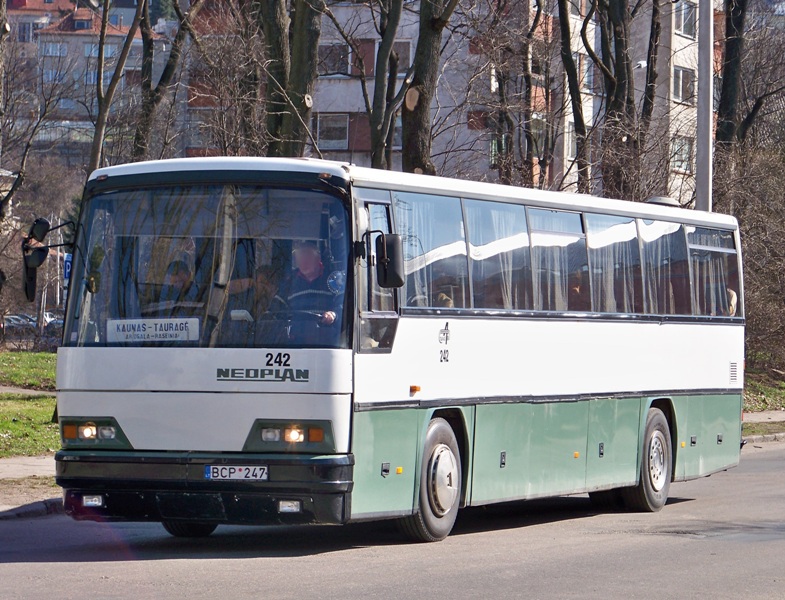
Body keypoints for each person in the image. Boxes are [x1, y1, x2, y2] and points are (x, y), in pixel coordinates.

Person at [269, 240, 342, 344]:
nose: (303, 262)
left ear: (318, 259)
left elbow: (344, 306)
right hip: (294, 342)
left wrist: (333, 315)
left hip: (326, 342)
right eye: (300, 259)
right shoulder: (289, 282)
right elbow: (276, 309)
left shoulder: (333, 280)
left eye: (307, 258)